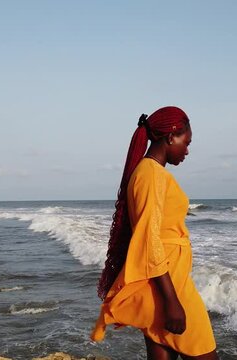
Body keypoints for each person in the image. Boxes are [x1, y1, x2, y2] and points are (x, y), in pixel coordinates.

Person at [91, 107, 218, 360]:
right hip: (170, 285)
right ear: (171, 136)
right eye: (186, 142)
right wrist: (171, 302)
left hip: (163, 280)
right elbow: (149, 239)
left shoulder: (149, 172)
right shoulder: (151, 174)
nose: (187, 150)